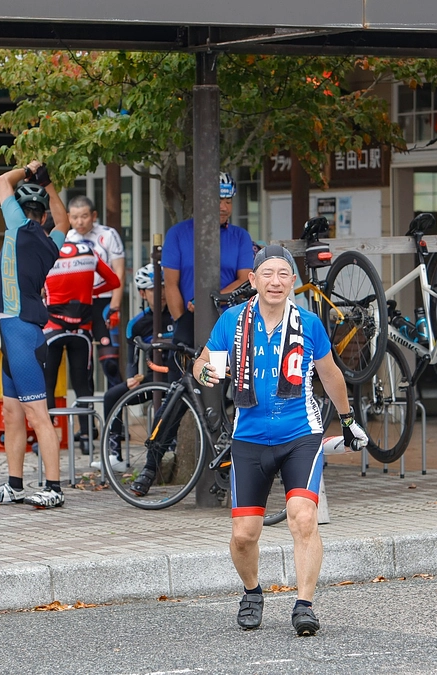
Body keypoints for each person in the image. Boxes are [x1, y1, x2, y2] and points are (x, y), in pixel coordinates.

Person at [192, 245, 369, 637]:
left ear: (293, 282)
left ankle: (304, 604)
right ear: (253, 280)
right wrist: (204, 374)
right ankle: (252, 592)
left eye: (283, 274)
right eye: (267, 274)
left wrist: (349, 419)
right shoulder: (232, 321)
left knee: (303, 519)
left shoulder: (308, 323)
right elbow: (202, 362)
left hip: (299, 436)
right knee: (243, 536)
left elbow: (331, 374)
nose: (275, 281)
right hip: (249, 438)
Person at [0, 160, 70, 509]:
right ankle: (14, 485)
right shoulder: (49, 242)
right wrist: (48, 184)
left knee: (36, 415)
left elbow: (3, 179)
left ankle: (54, 487)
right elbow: (64, 221)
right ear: (42, 216)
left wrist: (28, 171)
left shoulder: (17, 228)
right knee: (14, 414)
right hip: (19, 332)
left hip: (19, 332)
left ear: (21, 211)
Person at [92, 264, 174, 471]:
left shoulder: (177, 314)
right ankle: (114, 455)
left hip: (176, 378)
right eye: (155, 289)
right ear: (142, 293)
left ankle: (171, 447)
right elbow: (131, 359)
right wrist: (131, 377)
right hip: (152, 379)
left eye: (164, 287)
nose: (161, 294)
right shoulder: (136, 324)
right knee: (112, 396)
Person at [42, 235, 120, 452]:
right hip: (82, 329)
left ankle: (49, 438)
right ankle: (87, 437)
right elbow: (114, 282)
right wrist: (89, 293)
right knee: (81, 384)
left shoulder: (45, 252)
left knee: (48, 383)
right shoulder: (88, 252)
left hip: (52, 327)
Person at [162, 172, 253, 348]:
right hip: (190, 317)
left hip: (231, 315)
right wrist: (181, 320)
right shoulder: (178, 234)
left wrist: (207, 303)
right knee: (181, 364)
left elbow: (245, 280)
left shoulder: (240, 236)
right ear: (203, 200)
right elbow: (171, 284)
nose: (224, 207)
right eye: (218, 200)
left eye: (228, 201)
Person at [65, 196, 126, 389]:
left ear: (94, 215)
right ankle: (87, 417)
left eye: (84, 216)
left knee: (110, 364)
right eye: (74, 217)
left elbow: (119, 272)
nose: (80, 222)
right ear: (68, 217)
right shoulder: (67, 239)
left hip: (105, 301)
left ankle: (115, 417)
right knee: (82, 366)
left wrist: (115, 307)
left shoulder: (108, 234)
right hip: (79, 304)